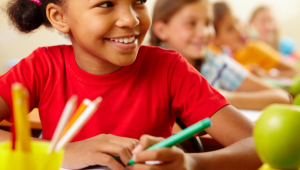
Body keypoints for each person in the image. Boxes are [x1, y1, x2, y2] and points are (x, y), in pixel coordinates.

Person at [0, 0, 261, 169]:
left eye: (139, 1)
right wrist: (61, 152)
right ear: (59, 16)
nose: (132, 19)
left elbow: (257, 145)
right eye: (106, 3)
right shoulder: (42, 67)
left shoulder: (170, 69)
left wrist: (191, 163)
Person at [150, 0, 291, 110]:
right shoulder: (147, 69)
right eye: (191, 23)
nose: (204, 32)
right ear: (162, 30)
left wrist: (223, 97)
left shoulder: (216, 64)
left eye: (208, 23)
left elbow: (282, 97)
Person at [213, 2, 300, 78]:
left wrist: (267, 75)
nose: (239, 30)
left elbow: (296, 71)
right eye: (230, 29)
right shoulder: (212, 56)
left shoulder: (255, 48)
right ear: (215, 39)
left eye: (237, 21)